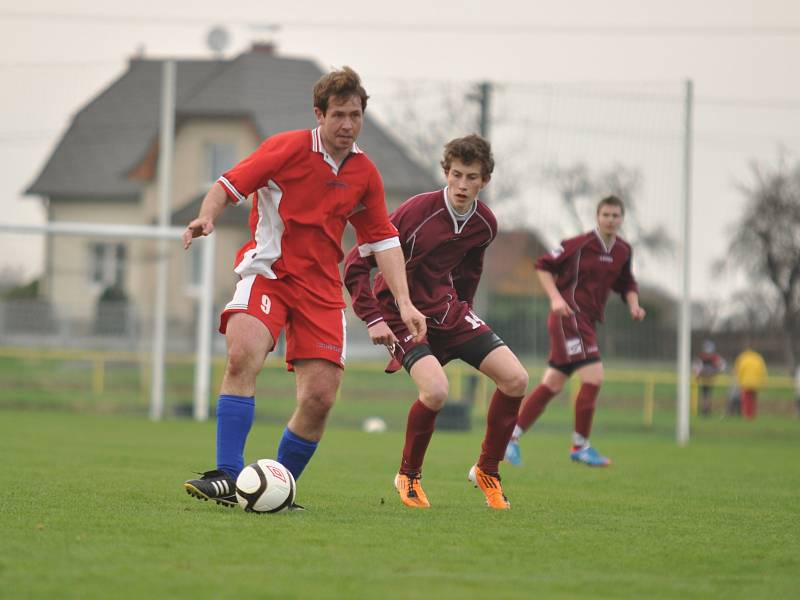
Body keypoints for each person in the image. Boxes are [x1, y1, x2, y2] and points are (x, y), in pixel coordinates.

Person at [181, 67, 426, 508]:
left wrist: (405, 302)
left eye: (355, 115)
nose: (347, 125)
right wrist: (207, 216)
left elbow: (383, 239)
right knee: (242, 353)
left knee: (319, 398)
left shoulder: (365, 173)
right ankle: (228, 474)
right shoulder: (286, 149)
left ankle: (276, 489)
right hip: (269, 272)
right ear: (319, 114)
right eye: (338, 115)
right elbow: (226, 185)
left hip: (321, 290)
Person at [344, 135, 529, 510]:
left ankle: (487, 471)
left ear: (485, 181)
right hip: (398, 313)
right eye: (456, 175)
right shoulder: (416, 213)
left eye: (471, 177)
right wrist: (372, 317)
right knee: (436, 392)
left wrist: (464, 316)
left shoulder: (485, 224)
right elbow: (354, 262)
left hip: (449, 312)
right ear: (445, 172)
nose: (462, 185)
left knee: (516, 379)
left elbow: (468, 272)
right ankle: (408, 476)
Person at [505, 196, 646, 467]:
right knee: (594, 378)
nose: (610, 220)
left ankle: (511, 437)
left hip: (587, 323)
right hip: (568, 318)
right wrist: (556, 298)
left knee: (553, 384)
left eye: (616, 215)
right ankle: (580, 446)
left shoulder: (623, 250)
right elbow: (543, 266)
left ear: (622, 219)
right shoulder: (578, 244)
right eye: (606, 214)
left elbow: (627, 282)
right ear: (597, 216)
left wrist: (634, 306)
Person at [692, 340, 726, 416]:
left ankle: (706, 410)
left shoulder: (715, 358)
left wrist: (715, 372)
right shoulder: (701, 357)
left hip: (710, 379)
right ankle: (704, 410)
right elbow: (696, 368)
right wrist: (698, 374)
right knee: (704, 394)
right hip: (703, 379)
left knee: (707, 394)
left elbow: (721, 367)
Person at [733, 345, 767, 419]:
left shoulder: (742, 358)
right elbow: (763, 370)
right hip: (756, 383)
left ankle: (747, 415)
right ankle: (753, 414)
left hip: (745, 382)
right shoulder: (758, 358)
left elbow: (738, 370)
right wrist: (763, 381)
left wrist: (738, 381)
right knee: (753, 400)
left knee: (746, 400)